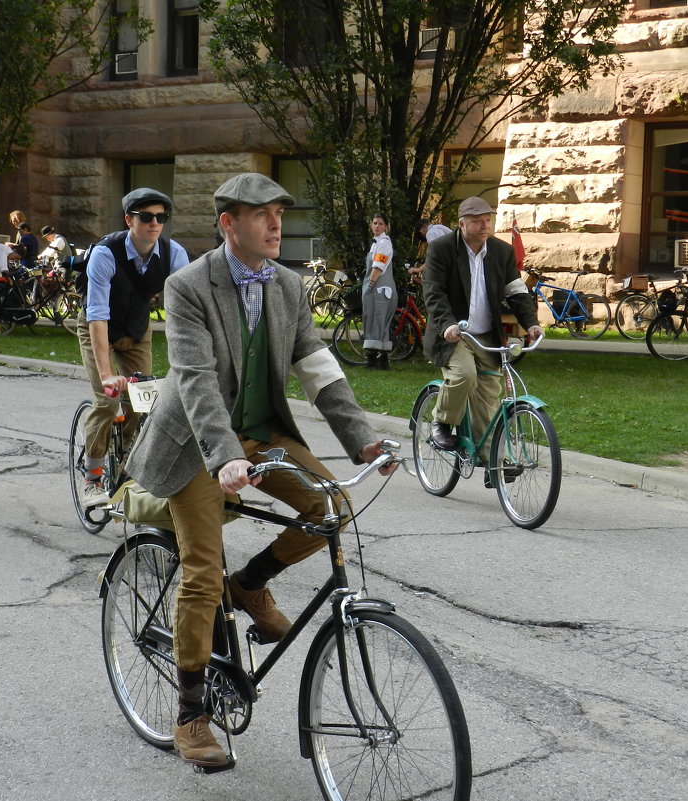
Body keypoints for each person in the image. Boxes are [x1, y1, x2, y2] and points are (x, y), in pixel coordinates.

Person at [125, 173, 396, 768]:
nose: (275, 224)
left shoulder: (290, 288)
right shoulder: (188, 286)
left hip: (261, 432)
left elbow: (319, 368)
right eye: (259, 215)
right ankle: (191, 714)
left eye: (278, 212)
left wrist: (363, 441)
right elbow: (194, 380)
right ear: (228, 224)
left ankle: (249, 583)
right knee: (200, 567)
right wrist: (224, 458)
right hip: (199, 442)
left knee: (330, 507)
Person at [77, 187, 189, 509]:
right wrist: (107, 374)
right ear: (129, 220)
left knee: (144, 403)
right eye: (146, 217)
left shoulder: (173, 254)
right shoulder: (105, 253)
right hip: (99, 329)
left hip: (137, 332)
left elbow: (184, 312)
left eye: (160, 217)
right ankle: (93, 478)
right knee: (108, 400)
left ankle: (128, 462)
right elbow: (97, 316)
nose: (154, 223)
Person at [421, 196, 543, 485]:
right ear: (462, 225)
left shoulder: (501, 252)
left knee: (488, 395)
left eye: (487, 219)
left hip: (486, 335)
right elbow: (433, 292)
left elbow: (515, 290)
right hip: (453, 333)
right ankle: (441, 420)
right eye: (477, 220)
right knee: (464, 376)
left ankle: (492, 465)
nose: (484, 225)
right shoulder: (442, 249)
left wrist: (531, 323)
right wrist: (447, 324)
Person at [361, 214, 396, 370]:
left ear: (386, 227)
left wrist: (370, 285)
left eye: (380, 224)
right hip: (379, 288)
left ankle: (374, 361)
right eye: (374, 223)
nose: (376, 226)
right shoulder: (376, 243)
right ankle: (381, 362)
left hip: (379, 289)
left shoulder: (383, 244)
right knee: (377, 323)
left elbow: (378, 267)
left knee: (377, 322)